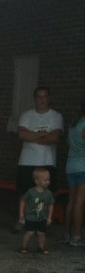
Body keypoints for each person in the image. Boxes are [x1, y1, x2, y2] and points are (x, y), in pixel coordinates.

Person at [15, 85, 63, 230]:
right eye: (39, 96)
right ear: (35, 99)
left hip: (46, 161)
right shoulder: (26, 115)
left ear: (49, 98)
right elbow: (21, 134)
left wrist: (32, 135)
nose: (42, 99)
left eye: (44, 96)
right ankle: (22, 220)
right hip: (27, 160)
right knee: (25, 192)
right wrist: (43, 135)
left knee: (45, 194)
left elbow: (54, 137)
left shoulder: (56, 116)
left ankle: (41, 223)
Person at [63, 97, 85, 247]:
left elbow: (68, 144)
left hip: (70, 165)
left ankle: (66, 234)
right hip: (83, 166)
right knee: (80, 201)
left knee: (71, 200)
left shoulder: (73, 124)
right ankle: (77, 236)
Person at [19, 167, 54, 255]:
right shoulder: (31, 192)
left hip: (42, 218)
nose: (48, 182)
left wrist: (49, 217)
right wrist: (21, 212)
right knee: (29, 233)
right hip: (31, 217)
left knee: (41, 233)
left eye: (48, 180)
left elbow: (50, 205)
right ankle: (24, 246)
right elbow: (23, 200)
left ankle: (41, 248)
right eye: (45, 180)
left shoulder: (48, 193)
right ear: (37, 181)